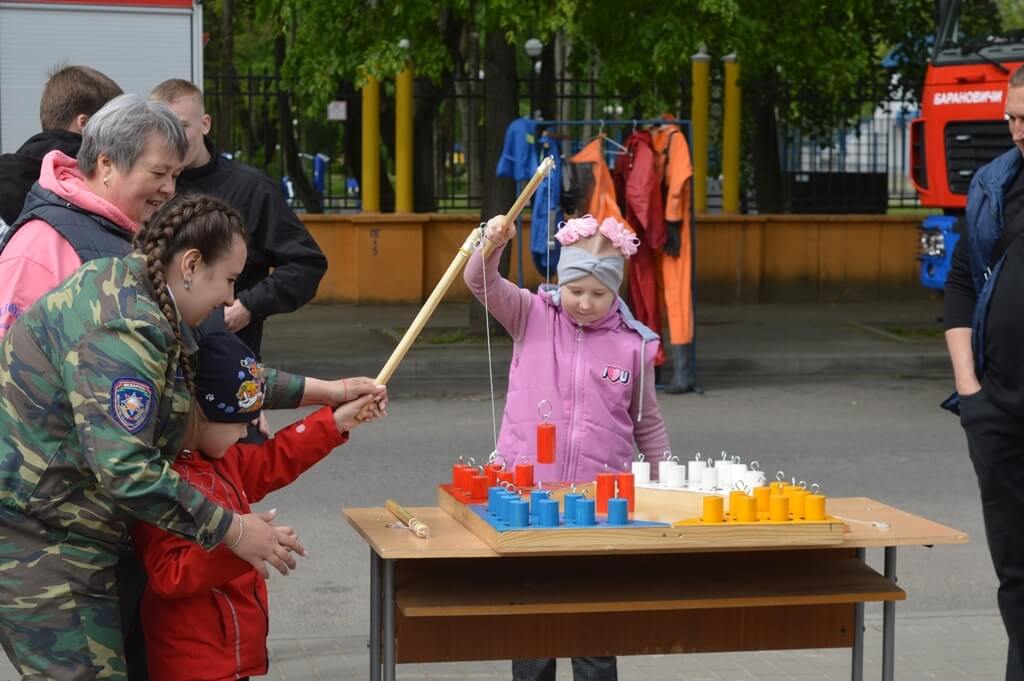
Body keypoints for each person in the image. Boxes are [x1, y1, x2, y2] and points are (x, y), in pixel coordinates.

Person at [0, 194, 364, 680]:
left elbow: (229, 379)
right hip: (42, 536)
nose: (232, 300)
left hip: (63, 528)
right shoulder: (127, 327)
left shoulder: (147, 295)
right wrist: (234, 531)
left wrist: (329, 393)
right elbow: (126, 470)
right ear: (192, 264)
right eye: (230, 281)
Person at [464, 213, 671, 681]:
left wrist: (665, 478)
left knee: (594, 630)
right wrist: (493, 242)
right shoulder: (529, 315)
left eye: (598, 294)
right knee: (533, 630)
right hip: (529, 500)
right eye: (576, 290)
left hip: (601, 505)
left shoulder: (634, 346)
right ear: (561, 280)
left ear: (616, 291)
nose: (584, 303)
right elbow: (479, 279)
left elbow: (648, 423)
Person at [132, 331, 382, 681]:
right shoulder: (164, 481)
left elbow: (273, 459)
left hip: (231, 656)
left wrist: (337, 421)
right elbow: (170, 574)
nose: (245, 432)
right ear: (197, 415)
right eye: (238, 423)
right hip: (193, 665)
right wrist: (238, 544)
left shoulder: (219, 458)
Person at [944, 64, 1024, 681]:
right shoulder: (994, 182)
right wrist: (970, 392)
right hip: (995, 406)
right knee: (1015, 571)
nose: (1019, 131)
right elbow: (964, 283)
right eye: (1013, 119)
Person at [150, 79, 327, 358]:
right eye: (164, 128)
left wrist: (248, 305)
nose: (173, 138)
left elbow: (306, 264)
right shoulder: (145, 186)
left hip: (227, 362)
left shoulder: (251, 188)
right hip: (157, 359)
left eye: (182, 126)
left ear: (205, 124)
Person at [0, 93, 185, 340]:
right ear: (106, 164)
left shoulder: (136, 230)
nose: (169, 188)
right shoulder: (40, 246)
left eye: (175, 175)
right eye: (159, 173)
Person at [0, 64, 122, 229]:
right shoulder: (94, 178)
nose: (120, 137)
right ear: (84, 124)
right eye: (114, 125)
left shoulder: (10, 172)